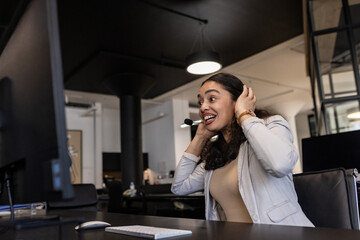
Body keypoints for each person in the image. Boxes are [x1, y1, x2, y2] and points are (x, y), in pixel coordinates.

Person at [171, 73, 314, 227]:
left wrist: (244, 114)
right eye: (200, 102)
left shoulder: (271, 125)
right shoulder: (216, 155)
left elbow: (280, 164)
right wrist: (199, 138)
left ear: (238, 101)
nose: (203, 107)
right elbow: (179, 187)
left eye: (211, 99)